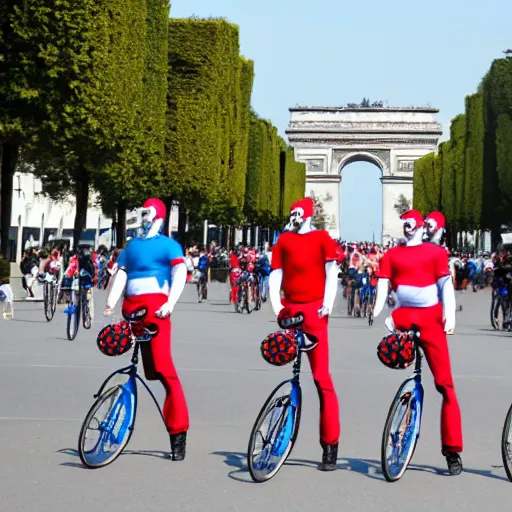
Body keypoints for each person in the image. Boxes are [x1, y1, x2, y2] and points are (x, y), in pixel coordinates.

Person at [373, 210, 463, 475]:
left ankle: (452, 449)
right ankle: (449, 449)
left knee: (445, 385)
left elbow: (446, 286)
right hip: (406, 318)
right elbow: (384, 285)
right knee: (446, 387)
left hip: (429, 320)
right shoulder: (394, 255)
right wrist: (377, 311)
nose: (406, 227)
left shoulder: (434, 254)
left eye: (409, 223)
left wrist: (450, 316)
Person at [104, 198, 189, 461]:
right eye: (143, 212)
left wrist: (171, 302)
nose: (144, 217)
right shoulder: (132, 246)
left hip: (156, 310)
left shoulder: (168, 245)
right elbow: (122, 273)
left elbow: (180, 271)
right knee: (146, 368)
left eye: (149, 213)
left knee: (163, 370)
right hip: (131, 309)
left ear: (159, 217)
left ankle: (178, 432)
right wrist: (110, 300)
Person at [269, 197, 342, 471]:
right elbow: (275, 274)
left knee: (322, 378)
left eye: (298, 212)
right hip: (290, 308)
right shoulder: (283, 241)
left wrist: (327, 304)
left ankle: (330, 443)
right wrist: (276, 305)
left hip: (314, 311)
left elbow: (331, 272)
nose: (294, 215)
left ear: (307, 214)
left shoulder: (322, 238)